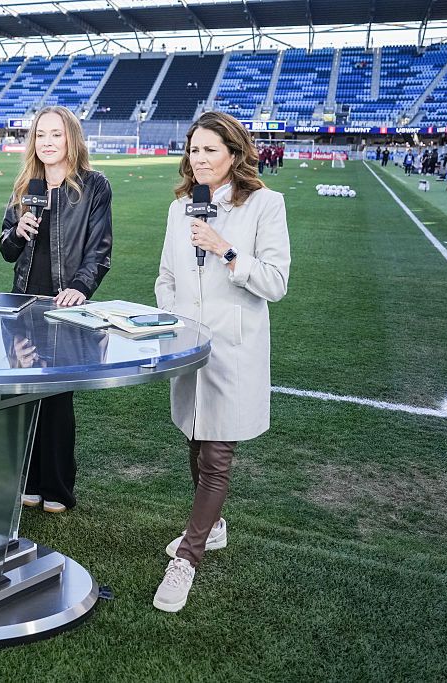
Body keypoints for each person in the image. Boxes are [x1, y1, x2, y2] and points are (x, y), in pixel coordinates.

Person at [153, 111, 291, 612]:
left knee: (216, 455)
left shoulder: (264, 204)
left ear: (234, 153)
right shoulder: (180, 208)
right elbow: (166, 276)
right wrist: (173, 318)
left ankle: (187, 557)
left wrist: (227, 250)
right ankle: (212, 528)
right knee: (194, 435)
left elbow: (276, 281)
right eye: (194, 149)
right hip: (189, 345)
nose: (201, 159)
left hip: (234, 348)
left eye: (211, 149)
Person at [0, 105, 113, 514]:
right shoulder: (24, 186)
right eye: (41, 135)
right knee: (24, 395)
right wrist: (18, 231)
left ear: (71, 139)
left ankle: (59, 488)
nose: (47, 142)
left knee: (57, 399)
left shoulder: (95, 186)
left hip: (65, 304)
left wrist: (81, 288)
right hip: (23, 302)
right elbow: (7, 250)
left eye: (56, 134)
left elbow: (100, 250)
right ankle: (27, 480)